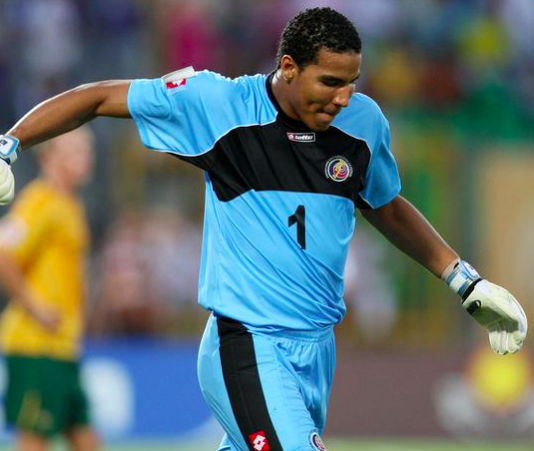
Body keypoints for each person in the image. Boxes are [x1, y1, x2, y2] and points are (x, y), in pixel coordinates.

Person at [0, 7, 527, 451]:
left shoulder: (363, 125)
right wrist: (10, 144)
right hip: (247, 343)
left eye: (351, 83)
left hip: (317, 350)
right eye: (330, 82)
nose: (343, 97)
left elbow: (386, 207)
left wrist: (464, 280)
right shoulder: (220, 106)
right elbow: (96, 97)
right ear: (288, 67)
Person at [0, 128, 99, 451]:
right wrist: (36, 307)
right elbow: (3, 253)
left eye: (87, 151)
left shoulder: (70, 204)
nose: (87, 158)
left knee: (85, 440)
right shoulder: (40, 200)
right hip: (35, 345)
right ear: (49, 157)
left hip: (62, 345)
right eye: (76, 151)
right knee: (35, 438)